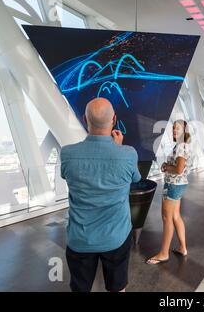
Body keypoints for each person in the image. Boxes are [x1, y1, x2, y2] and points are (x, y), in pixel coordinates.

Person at [60, 98, 142, 292]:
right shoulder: (128, 154)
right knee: (117, 288)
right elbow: (135, 178)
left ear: (84, 119)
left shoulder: (67, 153)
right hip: (116, 237)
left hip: (80, 238)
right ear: (113, 119)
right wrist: (119, 147)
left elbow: (65, 175)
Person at [146, 120, 191, 265]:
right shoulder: (181, 145)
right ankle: (182, 248)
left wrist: (166, 168)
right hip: (179, 184)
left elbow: (179, 169)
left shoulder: (181, 146)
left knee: (167, 218)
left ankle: (164, 253)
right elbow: (179, 167)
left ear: (184, 131)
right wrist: (168, 165)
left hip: (173, 185)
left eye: (177, 128)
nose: (174, 130)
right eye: (173, 128)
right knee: (176, 216)